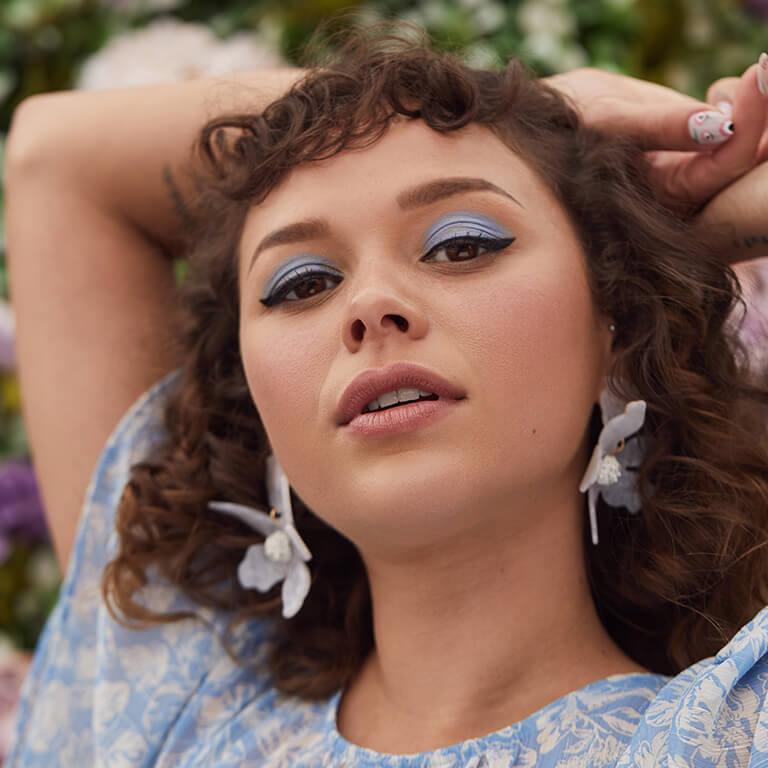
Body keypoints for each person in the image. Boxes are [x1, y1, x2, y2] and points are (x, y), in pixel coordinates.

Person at [4, 20, 768, 767]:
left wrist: (557, 147)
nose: (370, 304)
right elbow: (56, 156)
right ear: (256, 404)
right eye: (302, 283)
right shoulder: (173, 701)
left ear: (617, 323)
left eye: (461, 243)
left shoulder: (727, 735)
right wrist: (538, 108)